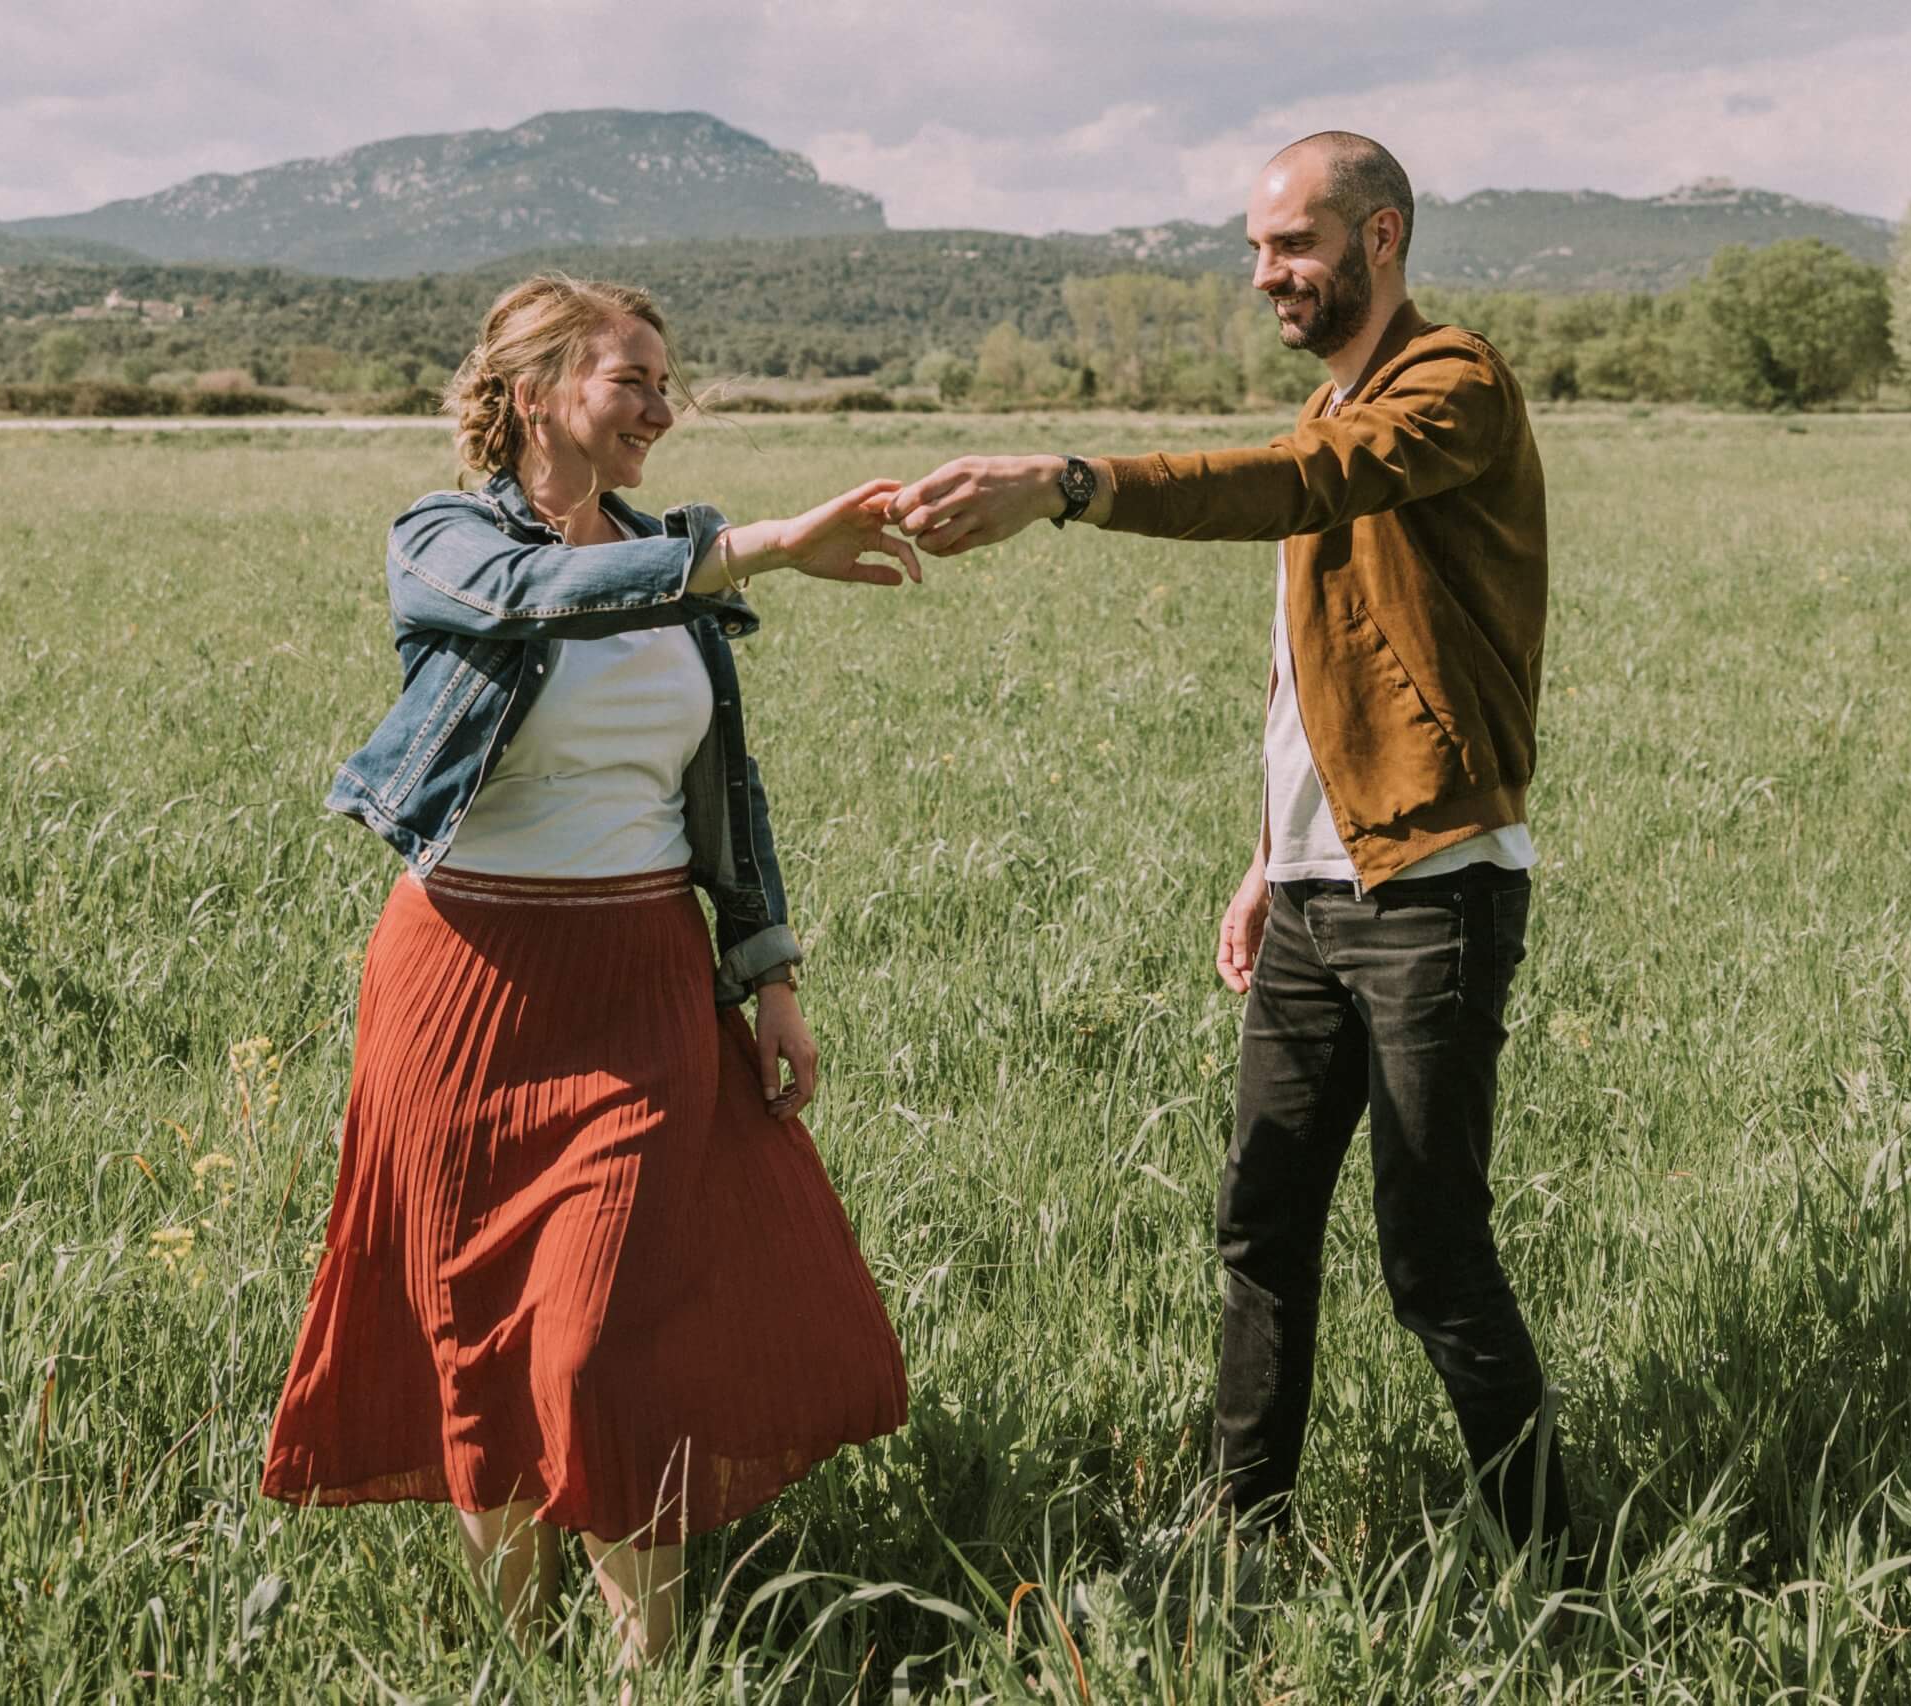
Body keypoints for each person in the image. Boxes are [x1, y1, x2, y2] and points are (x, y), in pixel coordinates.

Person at [885, 133, 1573, 1561]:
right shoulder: (1339, 398)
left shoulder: (1447, 388)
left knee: (1434, 1257)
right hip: (1321, 896)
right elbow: (1311, 663)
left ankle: (1561, 1562)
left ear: (1380, 238)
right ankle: (1241, 1534)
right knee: (1260, 1229)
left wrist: (1073, 483)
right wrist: (1270, 854)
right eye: (1257, 248)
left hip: (1431, 888)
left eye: (1295, 245)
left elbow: (1297, 488)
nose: (1268, 274)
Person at [261, 274, 915, 1671]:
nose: (663, 410)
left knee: (608, 1338)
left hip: (642, 984)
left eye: (669, 384)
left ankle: (645, 1670)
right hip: (467, 984)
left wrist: (769, 973)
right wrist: (764, 545)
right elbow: (538, 595)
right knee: (478, 1329)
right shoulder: (443, 540)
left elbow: (719, 788)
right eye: (635, 382)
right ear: (541, 390)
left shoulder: (679, 560)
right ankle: (512, 1654)